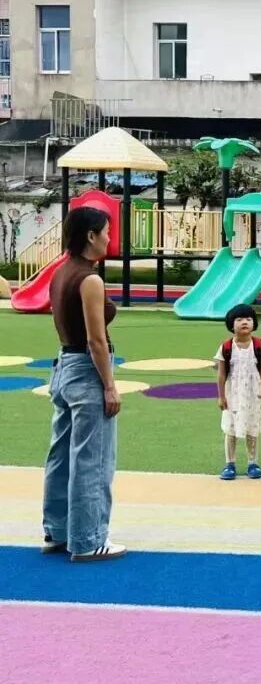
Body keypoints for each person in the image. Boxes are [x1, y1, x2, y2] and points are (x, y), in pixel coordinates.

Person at [42, 206, 126, 561]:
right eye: (105, 231)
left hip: (63, 366)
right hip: (85, 369)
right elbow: (96, 340)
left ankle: (57, 531)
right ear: (91, 236)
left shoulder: (61, 273)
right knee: (92, 460)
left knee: (61, 455)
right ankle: (89, 539)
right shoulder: (90, 279)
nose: (110, 237)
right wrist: (109, 385)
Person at [215, 304, 261, 481]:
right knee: (230, 429)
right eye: (239, 320)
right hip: (233, 394)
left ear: (254, 323)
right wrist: (221, 396)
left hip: (253, 393)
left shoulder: (259, 345)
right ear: (232, 325)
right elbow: (221, 374)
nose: (244, 322)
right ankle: (229, 463)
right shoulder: (226, 347)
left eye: (248, 319)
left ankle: (252, 462)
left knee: (251, 428)